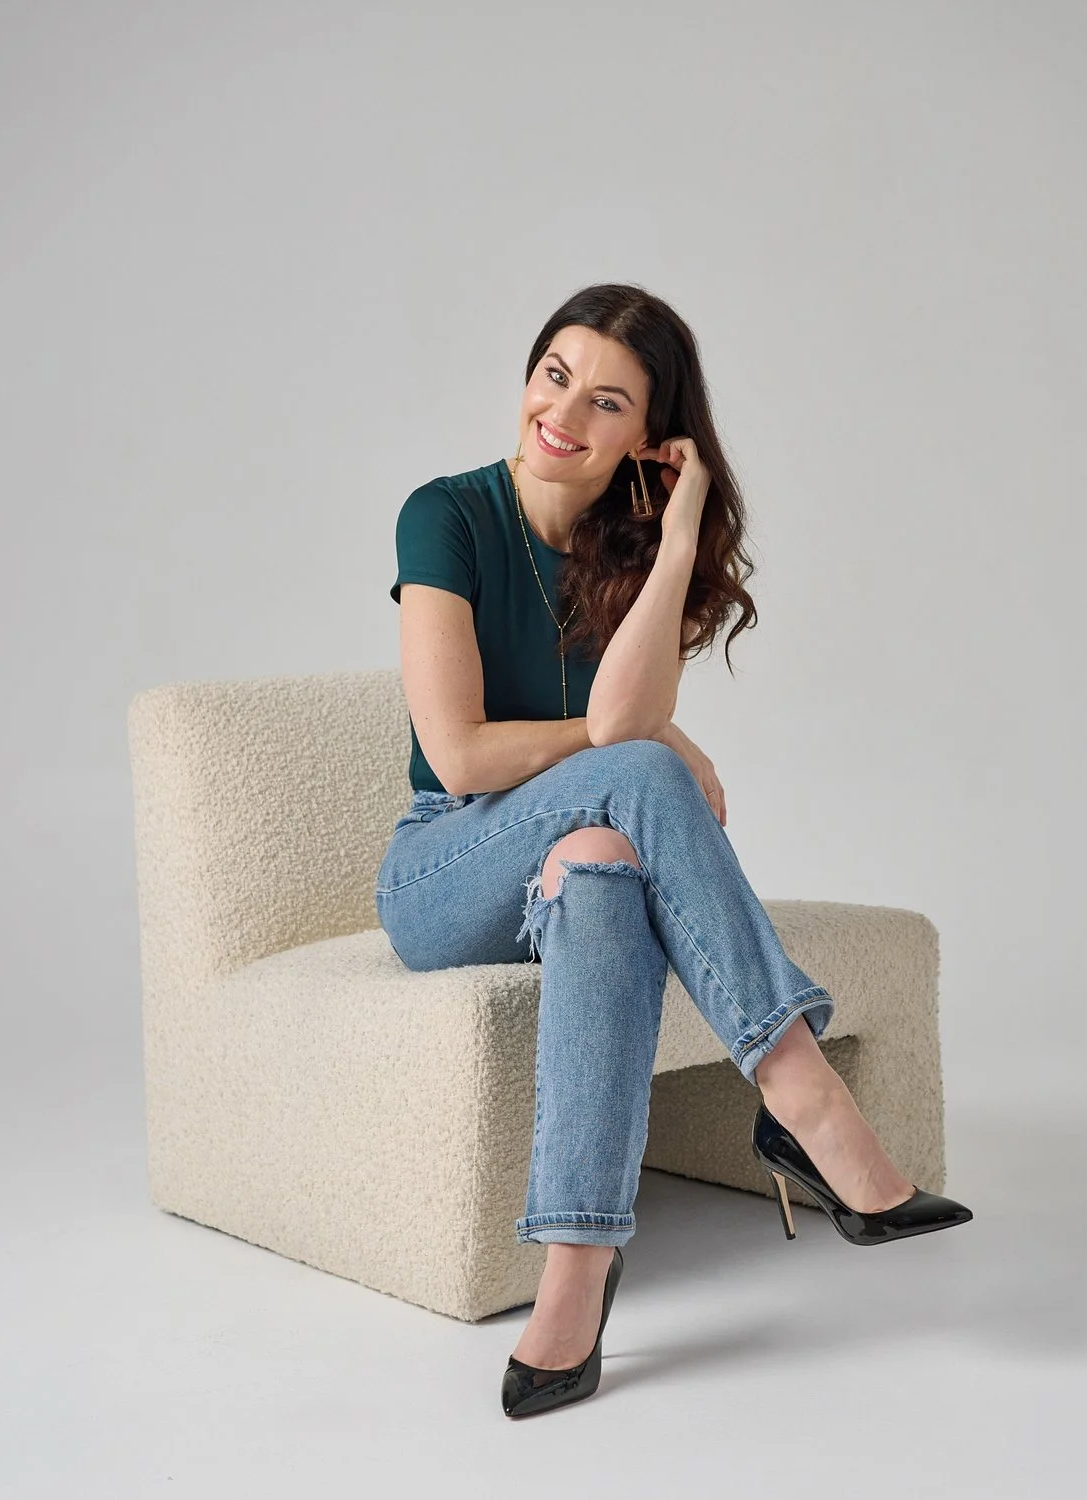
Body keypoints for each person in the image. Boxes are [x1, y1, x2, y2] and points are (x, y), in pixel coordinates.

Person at [375, 282, 972, 1419]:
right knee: (633, 778)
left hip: (564, 858)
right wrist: (642, 742)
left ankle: (575, 1276)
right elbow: (458, 756)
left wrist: (682, 530)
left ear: (648, 440)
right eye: (555, 375)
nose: (565, 415)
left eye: (607, 402)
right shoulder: (443, 517)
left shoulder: (631, 548)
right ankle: (806, 1100)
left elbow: (620, 727)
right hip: (443, 870)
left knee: (603, 859)